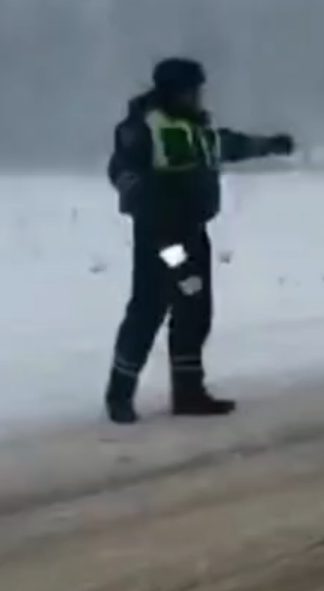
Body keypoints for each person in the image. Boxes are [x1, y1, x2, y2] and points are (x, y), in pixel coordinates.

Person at [104, 57, 295, 424]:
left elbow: (229, 145)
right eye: (192, 89)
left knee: (194, 306)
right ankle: (120, 395)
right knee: (151, 307)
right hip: (162, 238)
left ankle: (189, 391)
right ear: (174, 91)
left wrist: (269, 145)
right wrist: (147, 205)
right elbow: (122, 171)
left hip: (192, 234)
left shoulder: (196, 128)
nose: (197, 96)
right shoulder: (144, 126)